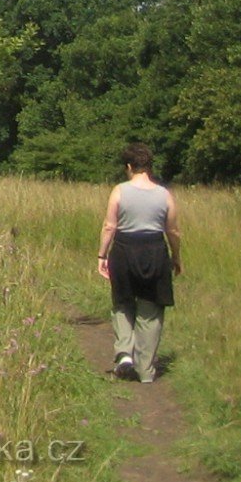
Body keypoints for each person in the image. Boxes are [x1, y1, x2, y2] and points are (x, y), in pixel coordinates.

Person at [96, 142, 182, 383]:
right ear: (149, 167)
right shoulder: (164, 195)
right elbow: (173, 231)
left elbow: (109, 225)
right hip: (154, 250)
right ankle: (145, 370)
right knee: (151, 309)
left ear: (129, 166)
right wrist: (176, 257)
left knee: (122, 301)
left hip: (124, 250)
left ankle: (124, 353)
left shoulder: (120, 191)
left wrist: (102, 255)